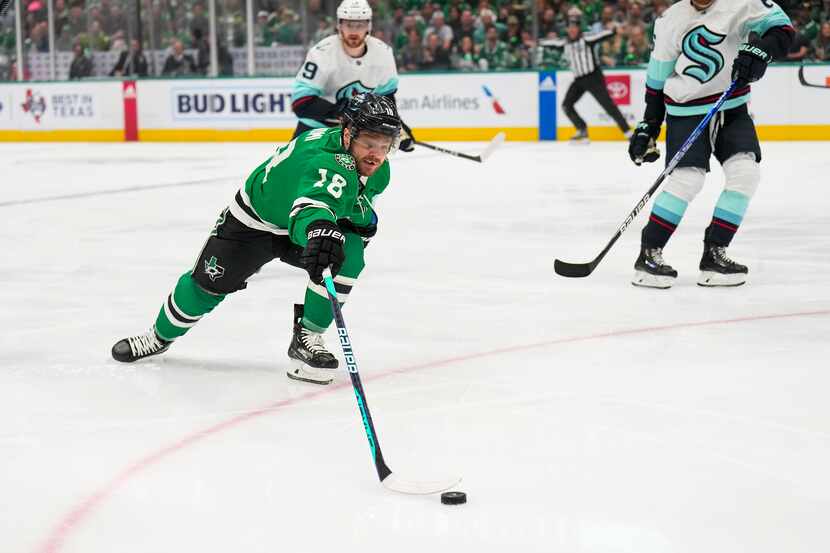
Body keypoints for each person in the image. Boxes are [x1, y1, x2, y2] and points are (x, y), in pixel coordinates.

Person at [111, 93, 402, 386]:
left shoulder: (378, 169)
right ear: (347, 133)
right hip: (252, 222)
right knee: (206, 287)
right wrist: (320, 229)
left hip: (301, 220)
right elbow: (310, 207)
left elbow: (353, 203)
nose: (376, 154)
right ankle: (158, 336)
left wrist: (354, 227)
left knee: (348, 254)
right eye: (368, 143)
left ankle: (307, 337)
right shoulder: (326, 161)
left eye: (384, 145)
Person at [627, 0, 793, 288]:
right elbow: (657, 79)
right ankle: (649, 253)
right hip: (686, 109)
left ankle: (715, 253)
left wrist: (761, 50)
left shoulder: (743, 2)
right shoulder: (671, 19)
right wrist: (649, 125)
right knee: (687, 180)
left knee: (745, 173)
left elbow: (783, 30)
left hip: (733, 105)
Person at [291, 0, 415, 152]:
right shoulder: (321, 53)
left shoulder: (383, 53)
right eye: (349, 24)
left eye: (360, 25)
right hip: (316, 129)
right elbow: (301, 102)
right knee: (294, 172)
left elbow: (386, 97)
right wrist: (338, 110)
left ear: (369, 26)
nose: (354, 31)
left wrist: (397, 126)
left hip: (355, 134)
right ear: (339, 25)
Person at [540, 18, 632, 143]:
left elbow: (602, 35)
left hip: (593, 77)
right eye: (570, 28)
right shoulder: (564, 43)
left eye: (574, 27)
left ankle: (628, 132)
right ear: (567, 30)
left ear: (578, 29)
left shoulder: (586, 39)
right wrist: (538, 42)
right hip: (579, 79)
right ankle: (582, 129)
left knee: (608, 105)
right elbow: (551, 43)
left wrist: (614, 30)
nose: (572, 30)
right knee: (566, 105)